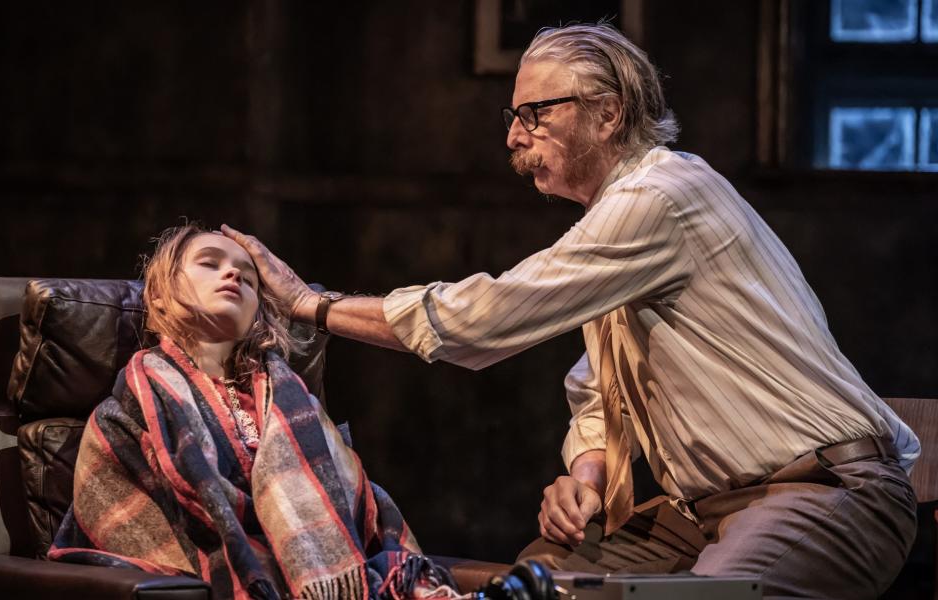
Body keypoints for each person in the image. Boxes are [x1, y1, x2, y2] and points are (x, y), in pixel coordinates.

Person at [222, 22, 919, 599]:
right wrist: (585, 476)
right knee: (538, 584)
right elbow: (598, 391)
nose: (514, 138)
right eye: (514, 117)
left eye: (535, 114)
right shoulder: (618, 232)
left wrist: (310, 304)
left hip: (826, 496)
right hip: (703, 513)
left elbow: (481, 319)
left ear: (608, 113)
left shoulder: (663, 199)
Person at [48, 225, 457, 600]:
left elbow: (362, 518)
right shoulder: (123, 416)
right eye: (210, 263)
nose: (234, 275)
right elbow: (127, 523)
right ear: (157, 294)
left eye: (248, 276)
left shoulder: (303, 412)